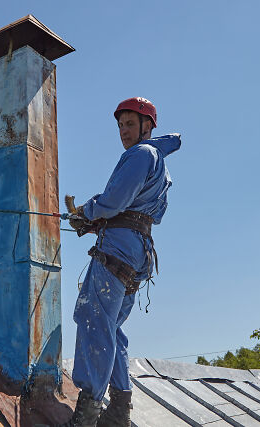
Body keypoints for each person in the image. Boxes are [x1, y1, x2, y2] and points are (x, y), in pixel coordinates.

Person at [67, 97, 181, 427]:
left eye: (130, 124)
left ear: (148, 126)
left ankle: (87, 417)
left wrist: (87, 212)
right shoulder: (159, 162)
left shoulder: (142, 154)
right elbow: (133, 211)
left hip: (118, 250)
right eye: (120, 125)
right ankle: (118, 412)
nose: (124, 131)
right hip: (136, 251)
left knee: (94, 320)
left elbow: (115, 200)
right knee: (112, 327)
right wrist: (96, 222)